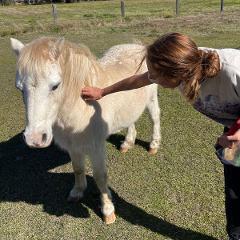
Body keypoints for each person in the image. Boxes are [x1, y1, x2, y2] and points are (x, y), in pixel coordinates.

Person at [81, 32, 240, 240]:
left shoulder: (232, 71)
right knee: (235, 188)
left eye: (156, 76)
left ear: (176, 73)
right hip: (233, 133)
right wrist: (103, 91)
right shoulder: (184, 65)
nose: (152, 79)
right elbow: (139, 80)